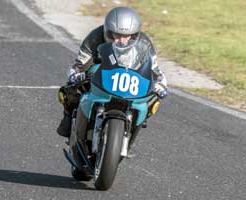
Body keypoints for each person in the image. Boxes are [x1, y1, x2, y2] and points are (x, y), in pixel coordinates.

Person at [57, 6, 168, 138]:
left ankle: (132, 128)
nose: (121, 40)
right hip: (100, 72)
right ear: (108, 31)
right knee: (69, 90)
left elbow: (154, 70)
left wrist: (160, 84)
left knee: (153, 100)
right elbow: (79, 65)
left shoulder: (145, 43)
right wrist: (77, 75)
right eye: (116, 35)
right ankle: (69, 120)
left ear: (135, 34)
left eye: (126, 36)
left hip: (130, 78)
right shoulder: (94, 38)